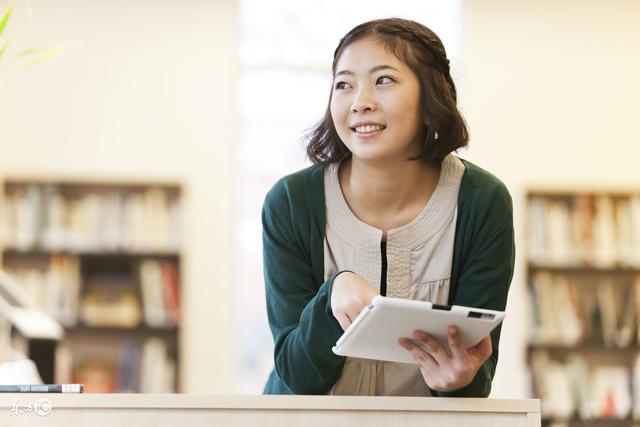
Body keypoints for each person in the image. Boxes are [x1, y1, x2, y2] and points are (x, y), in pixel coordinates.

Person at [262, 17, 515, 397]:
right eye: (344, 84)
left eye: (383, 80)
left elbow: (478, 371)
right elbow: (298, 375)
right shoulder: (291, 203)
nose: (360, 102)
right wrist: (332, 297)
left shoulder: (483, 202)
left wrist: (460, 381)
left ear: (430, 95)